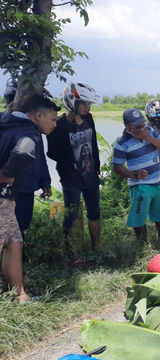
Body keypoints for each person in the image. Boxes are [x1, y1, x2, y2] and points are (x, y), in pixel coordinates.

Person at [0, 95, 60, 303]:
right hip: (2, 196)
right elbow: (24, 152)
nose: (55, 124)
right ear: (38, 115)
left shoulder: (5, 122)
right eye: (52, 119)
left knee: (14, 242)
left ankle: (19, 296)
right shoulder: (30, 132)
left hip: (8, 198)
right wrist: (6, 173)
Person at [47, 82, 102, 249]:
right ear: (72, 102)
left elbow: (93, 144)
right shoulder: (59, 125)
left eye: (89, 103)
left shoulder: (89, 119)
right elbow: (52, 153)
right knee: (71, 215)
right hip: (71, 177)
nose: (87, 107)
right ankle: (72, 251)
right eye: (84, 103)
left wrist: (97, 166)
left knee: (94, 212)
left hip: (90, 174)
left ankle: (97, 247)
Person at [112, 109, 160, 243]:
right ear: (126, 125)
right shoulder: (121, 144)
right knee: (138, 217)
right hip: (139, 186)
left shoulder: (149, 131)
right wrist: (134, 175)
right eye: (136, 125)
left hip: (158, 182)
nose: (140, 127)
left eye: (141, 123)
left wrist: (148, 137)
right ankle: (142, 245)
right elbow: (117, 168)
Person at [2, 80, 52, 236]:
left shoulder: (33, 130)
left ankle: (20, 256)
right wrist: (6, 174)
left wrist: (45, 182)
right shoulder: (5, 125)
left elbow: (40, 157)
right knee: (10, 228)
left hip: (28, 186)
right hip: (11, 186)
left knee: (22, 224)